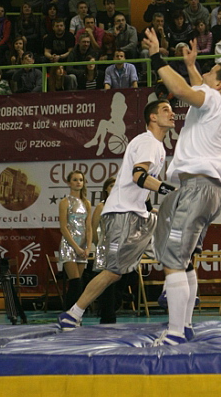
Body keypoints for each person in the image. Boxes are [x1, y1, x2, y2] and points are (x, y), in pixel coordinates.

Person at [142, 28, 221, 345]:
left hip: (198, 186)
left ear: (219, 84)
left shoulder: (213, 100)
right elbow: (199, 87)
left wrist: (157, 57)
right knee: (183, 260)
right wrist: (190, 65)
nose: (205, 75)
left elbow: (182, 90)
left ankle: (174, 333)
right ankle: (183, 327)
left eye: (211, 72)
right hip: (207, 189)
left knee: (172, 261)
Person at [57, 100, 175, 330]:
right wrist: (170, 191)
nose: (172, 114)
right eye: (165, 110)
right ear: (152, 117)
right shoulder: (147, 142)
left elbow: (141, 189)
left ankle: (170, 290)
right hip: (123, 215)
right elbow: (139, 177)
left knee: (174, 241)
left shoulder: (158, 147)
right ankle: (73, 313)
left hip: (139, 214)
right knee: (113, 272)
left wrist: (153, 208)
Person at [58, 170, 92, 311]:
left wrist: (88, 247)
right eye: (75, 180)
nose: (78, 182)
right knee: (75, 282)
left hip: (82, 246)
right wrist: (75, 247)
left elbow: (89, 228)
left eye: (80, 180)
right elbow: (63, 227)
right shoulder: (65, 202)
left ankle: (75, 314)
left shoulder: (86, 203)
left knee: (80, 284)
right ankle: (68, 313)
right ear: (69, 183)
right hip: (69, 245)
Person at [90, 176, 119, 324]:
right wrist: (99, 244)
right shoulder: (101, 206)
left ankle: (111, 310)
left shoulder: (121, 205)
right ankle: (107, 315)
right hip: (105, 246)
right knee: (107, 282)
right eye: (111, 186)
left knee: (117, 280)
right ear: (106, 189)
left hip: (118, 247)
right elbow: (93, 227)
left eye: (116, 185)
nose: (114, 188)